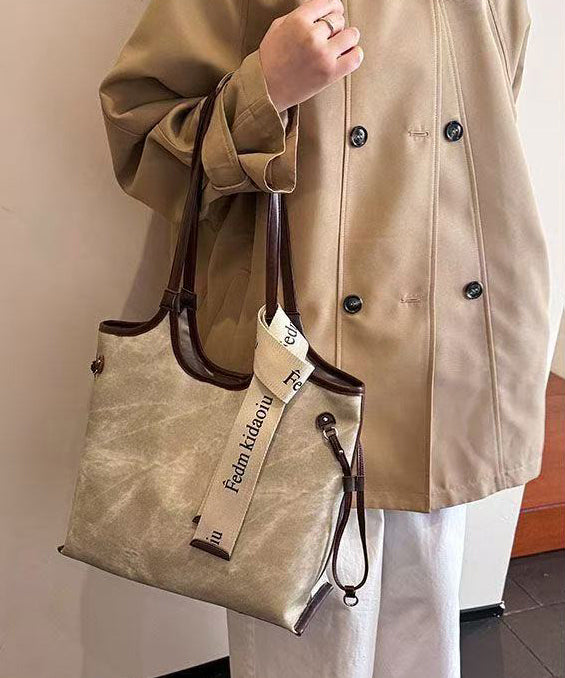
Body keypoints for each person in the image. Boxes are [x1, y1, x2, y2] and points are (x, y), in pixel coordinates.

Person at [97, 0, 551, 676]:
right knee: (308, 641)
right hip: (302, 363)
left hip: (445, 354)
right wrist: (265, 91)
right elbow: (141, 134)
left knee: (424, 621)